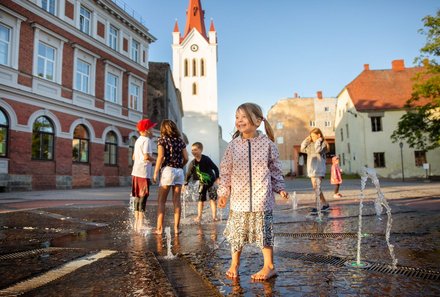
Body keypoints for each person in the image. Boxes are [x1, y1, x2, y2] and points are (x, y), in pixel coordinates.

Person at [217, 102, 288, 281]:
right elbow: (225, 171)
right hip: (239, 199)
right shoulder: (233, 146)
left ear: (257, 121)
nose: (239, 121)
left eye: (243, 117)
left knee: (265, 232)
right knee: (236, 233)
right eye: (236, 117)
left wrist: (280, 188)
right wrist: (223, 193)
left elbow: (275, 169)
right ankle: (234, 264)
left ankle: (269, 266)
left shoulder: (268, 145)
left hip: (261, 198)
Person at [153, 119, 188, 235]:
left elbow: (160, 156)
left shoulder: (162, 140)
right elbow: (186, 158)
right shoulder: (180, 141)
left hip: (167, 170)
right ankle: (177, 229)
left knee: (161, 201)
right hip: (179, 171)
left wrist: (155, 172)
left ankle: (159, 229)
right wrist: (179, 166)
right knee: (176, 201)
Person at [184, 142, 220, 223]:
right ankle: (199, 216)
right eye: (192, 150)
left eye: (195, 150)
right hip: (202, 183)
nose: (193, 152)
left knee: (212, 200)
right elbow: (188, 173)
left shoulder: (206, 159)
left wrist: (217, 178)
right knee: (200, 200)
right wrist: (185, 183)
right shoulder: (193, 163)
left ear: (201, 150)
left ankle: (214, 216)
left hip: (211, 182)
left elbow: (215, 168)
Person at [131, 119, 157, 232]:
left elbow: (133, 157)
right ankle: (141, 224)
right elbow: (146, 157)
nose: (152, 129)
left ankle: (137, 223)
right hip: (143, 172)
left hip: (136, 171)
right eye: (151, 128)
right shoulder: (146, 140)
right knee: (143, 197)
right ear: (146, 130)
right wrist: (157, 160)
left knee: (137, 197)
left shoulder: (138, 140)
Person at [300, 128, 330, 214]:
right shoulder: (310, 144)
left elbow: (318, 150)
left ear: (319, 135)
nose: (312, 138)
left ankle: (319, 206)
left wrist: (319, 140)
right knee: (316, 188)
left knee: (317, 187)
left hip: (319, 168)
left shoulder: (323, 144)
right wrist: (307, 139)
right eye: (311, 136)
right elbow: (302, 148)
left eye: (313, 136)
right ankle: (324, 204)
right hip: (312, 169)